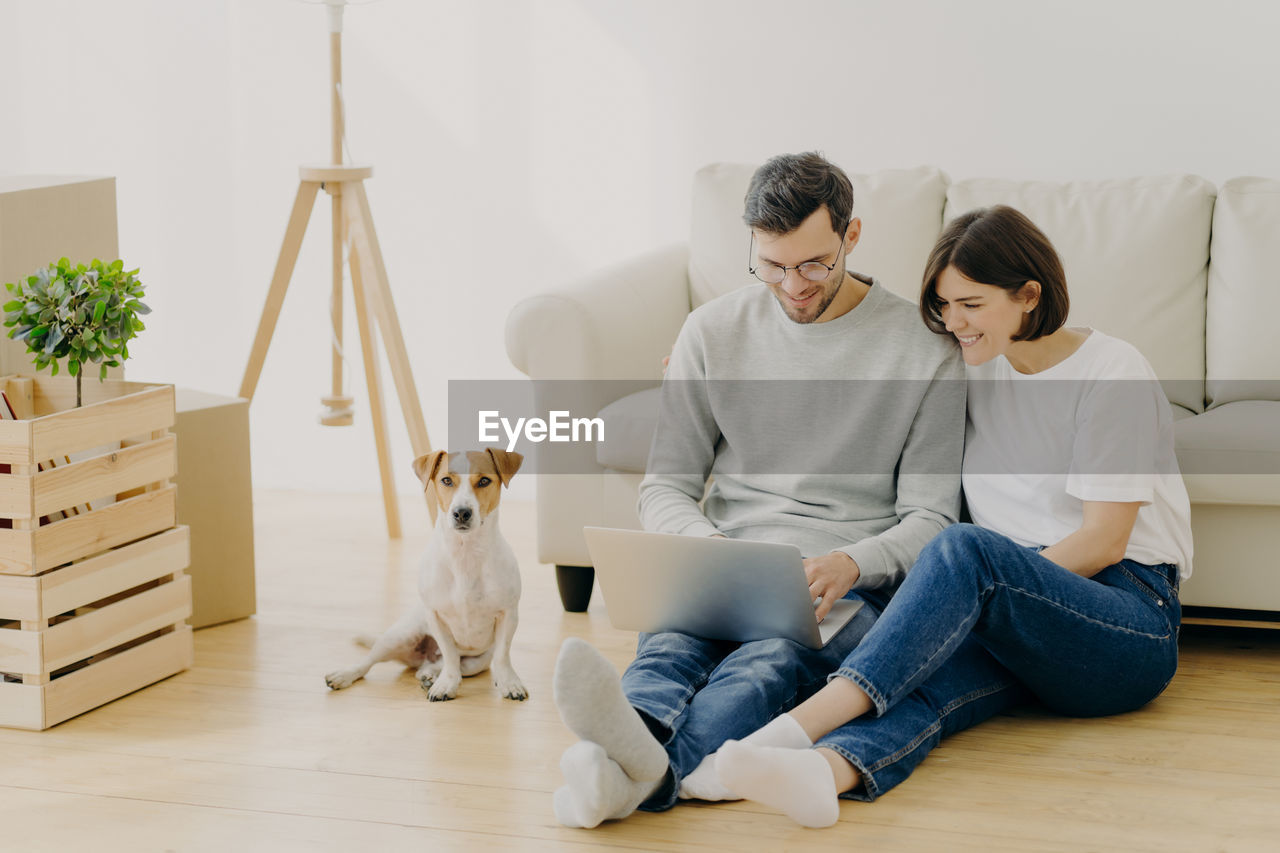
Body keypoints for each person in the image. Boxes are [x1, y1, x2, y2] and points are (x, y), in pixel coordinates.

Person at [698, 204, 1193, 827]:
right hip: (1015, 611)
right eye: (943, 305)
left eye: (972, 304)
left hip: (1127, 621)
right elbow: (848, 379)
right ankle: (824, 774)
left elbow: (1103, 541)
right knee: (922, 683)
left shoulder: (1111, 371)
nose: (953, 323)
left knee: (964, 550)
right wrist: (706, 372)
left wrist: (988, 587)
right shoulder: (969, 366)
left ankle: (790, 730)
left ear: (1028, 295)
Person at [550, 151, 967, 828]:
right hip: (722, 559)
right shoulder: (711, 331)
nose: (793, 285)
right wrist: (705, 545)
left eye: (813, 264)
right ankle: (638, 755)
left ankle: (628, 772)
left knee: (766, 663)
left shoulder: (924, 348)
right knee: (668, 647)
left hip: (840, 580)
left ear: (851, 237)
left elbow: (932, 517)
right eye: (772, 265)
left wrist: (851, 562)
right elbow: (666, 487)